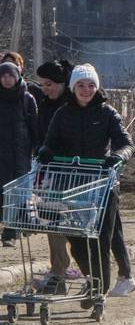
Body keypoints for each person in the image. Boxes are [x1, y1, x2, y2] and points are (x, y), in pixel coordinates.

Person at [39, 63, 135, 307]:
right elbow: (50, 143)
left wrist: (118, 156)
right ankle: (92, 279)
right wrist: (45, 152)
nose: (86, 89)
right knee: (77, 239)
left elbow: (126, 143)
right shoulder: (63, 114)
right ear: (73, 88)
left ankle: (98, 291)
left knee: (101, 239)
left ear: (97, 87)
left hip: (102, 185)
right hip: (70, 185)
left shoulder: (107, 113)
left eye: (91, 85)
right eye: (81, 85)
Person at [35, 60, 75, 293]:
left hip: (76, 173)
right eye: (42, 85)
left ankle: (78, 271)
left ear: (61, 83)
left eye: (48, 84)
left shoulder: (72, 105)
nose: (45, 89)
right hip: (51, 172)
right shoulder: (44, 104)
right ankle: (58, 271)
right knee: (52, 221)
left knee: (74, 226)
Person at [0, 62, 37, 247]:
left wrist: (37, 149)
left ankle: (10, 233)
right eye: (3, 76)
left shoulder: (27, 98)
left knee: (16, 194)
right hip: (1, 154)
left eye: (10, 76)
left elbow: (34, 127)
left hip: (21, 154)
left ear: (17, 77)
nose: (7, 80)